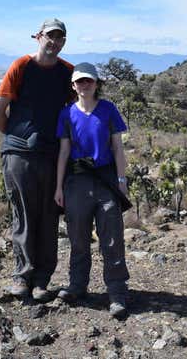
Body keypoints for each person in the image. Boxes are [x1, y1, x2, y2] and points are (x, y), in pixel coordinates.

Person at [0, 18, 73, 302]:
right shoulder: (21, 67)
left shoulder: (67, 73)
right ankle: (23, 275)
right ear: (38, 37)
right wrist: (16, 137)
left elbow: (78, 112)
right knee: (23, 215)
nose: (54, 42)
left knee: (49, 217)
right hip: (19, 155)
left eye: (59, 38)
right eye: (50, 36)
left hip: (51, 156)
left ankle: (41, 281)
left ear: (64, 42)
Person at [54, 62, 131, 318]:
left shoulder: (108, 109)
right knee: (78, 237)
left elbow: (118, 148)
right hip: (76, 181)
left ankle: (117, 292)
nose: (84, 85)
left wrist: (122, 181)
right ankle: (77, 286)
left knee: (112, 237)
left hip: (106, 180)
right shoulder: (66, 113)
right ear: (73, 86)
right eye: (79, 81)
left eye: (89, 80)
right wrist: (59, 187)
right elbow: (64, 151)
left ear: (97, 83)